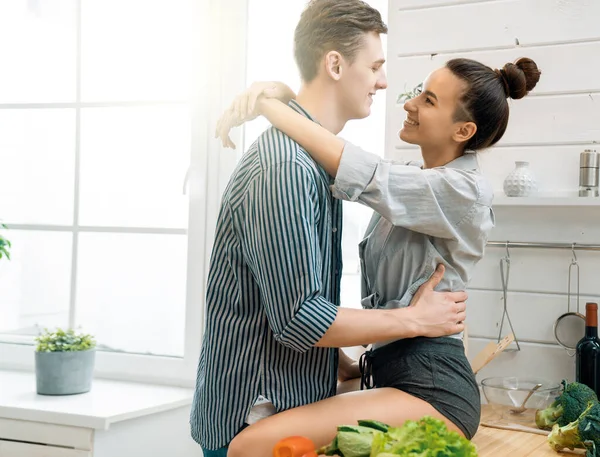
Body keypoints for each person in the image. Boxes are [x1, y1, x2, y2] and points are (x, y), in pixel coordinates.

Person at [216, 50, 541, 457]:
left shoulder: (465, 191)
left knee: (247, 447)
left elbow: (357, 168)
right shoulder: (415, 182)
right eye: (421, 93)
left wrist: (269, 106)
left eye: (429, 100)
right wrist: (353, 364)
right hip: (393, 370)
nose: (410, 103)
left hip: (433, 388)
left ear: (463, 131)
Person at [190, 1, 471, 456]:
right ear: (335, 64)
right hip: (255, 416)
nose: (383, 82)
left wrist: (335, 364)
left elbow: (283, 301)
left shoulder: (315, 164)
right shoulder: (285, 167)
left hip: (287, 407)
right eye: (376, 66)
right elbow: (300, 317)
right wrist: (413, 320)